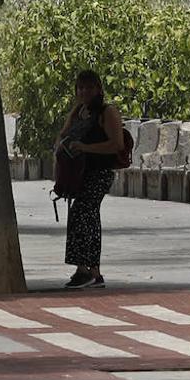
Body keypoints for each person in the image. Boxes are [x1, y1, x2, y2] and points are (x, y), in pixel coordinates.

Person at [54, 70, 124, 289]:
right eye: (81, 88)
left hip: (99, 172)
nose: (85, 92)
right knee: (78, 216)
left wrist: (85, 147)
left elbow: (116, 144)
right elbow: (63, 135)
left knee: (86, 213)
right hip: (80, 173)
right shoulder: (78, 111)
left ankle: (92, 272)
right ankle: (83, 270)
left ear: (99, 89)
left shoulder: (107, 112)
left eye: (89, 88)